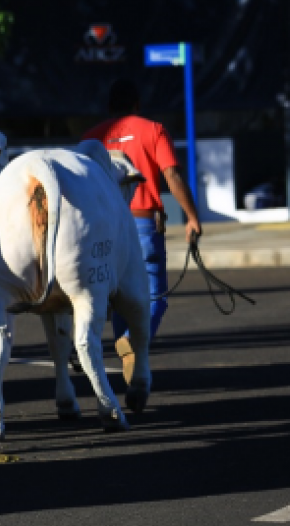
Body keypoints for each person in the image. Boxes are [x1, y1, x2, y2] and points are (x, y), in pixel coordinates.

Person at [83, 78, 202, 384]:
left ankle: (130, 358)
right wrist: (191, 216)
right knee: (155, 297)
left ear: (110, 108)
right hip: (141, 223)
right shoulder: (153, 130)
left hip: (103, 227)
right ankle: (131, 341)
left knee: (121, 297)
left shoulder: (92, 138)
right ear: (137, 105)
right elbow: (172, 174)